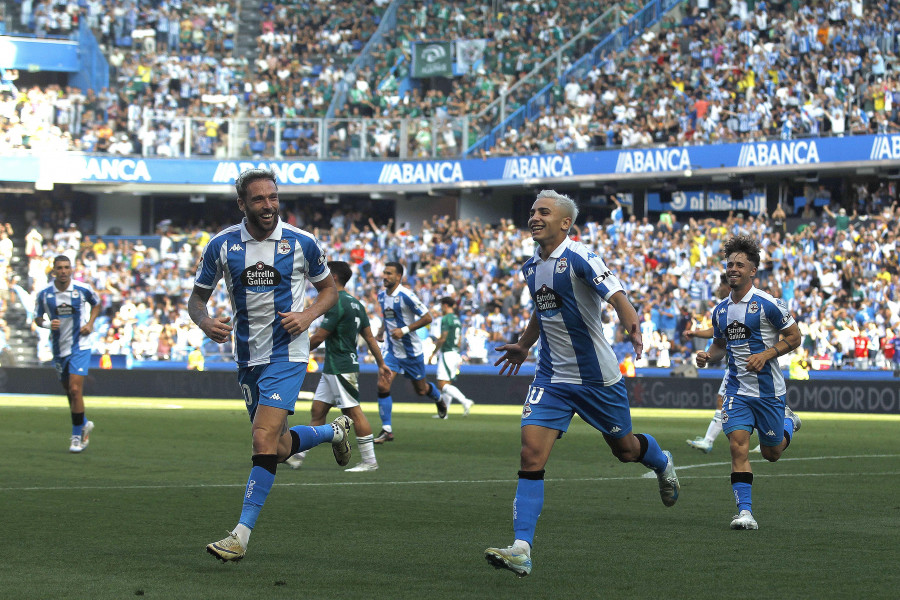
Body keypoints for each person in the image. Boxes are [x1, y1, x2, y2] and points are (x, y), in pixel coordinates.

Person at [485, 190, 680, 578]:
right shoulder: (531, 267)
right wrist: (525, 345)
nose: (534, 217)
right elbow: (543, 311)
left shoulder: (580, 256)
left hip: (596, 378)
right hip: (552, 377)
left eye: (544, 212)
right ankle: (522, 548)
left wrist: (633, 326)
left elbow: (618, 296)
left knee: (625, 451)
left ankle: (661, 461)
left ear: (564, 223)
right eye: (532, 211)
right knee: (530, 456)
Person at [189, 168, 352, 562]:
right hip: (247, 357)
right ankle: (332, 432)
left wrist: (308, 315)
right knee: (277, 447)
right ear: (242, 204)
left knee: (262, 440)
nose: (269, 206)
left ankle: (240, 536)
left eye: (274, 197)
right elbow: (197, 300)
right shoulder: (222, 245)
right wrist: (206, 321)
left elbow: (329, 290)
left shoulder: (302, 243)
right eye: (259, 199)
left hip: (288, 352)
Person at [695, 235, 802, 531]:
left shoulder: (769, 304)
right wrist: (708, 356)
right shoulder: (720, 311)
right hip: (737, 392)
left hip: (769, 392)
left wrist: (767, 353)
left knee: (772, 453)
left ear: (753, 271)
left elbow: (795, 338)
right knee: (738, 447)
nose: (733, 268)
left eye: (740, 264)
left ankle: (788, 422)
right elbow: (719, 347)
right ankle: (745, 512)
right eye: (730, 264)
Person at [285, 260, 391, 472]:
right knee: (318, 411)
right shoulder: (356, 303)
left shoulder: (336, 302)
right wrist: (381, 364)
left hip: (341, 366)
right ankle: (296, 456)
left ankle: (370, 462)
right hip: (336, 366)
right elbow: (370, 338)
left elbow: (320, 336)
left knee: (354, 413)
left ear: (333, 277)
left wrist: (291, 352)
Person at [34, 255, 101, 453]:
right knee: (68, 391)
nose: (63, 271)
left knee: (74, 389)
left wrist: (90, 323)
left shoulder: (82, 289)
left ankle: (75, 437)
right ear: (53, 270)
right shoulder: (44, 294)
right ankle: (84, 423)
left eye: (66, 267)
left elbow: (97, 303)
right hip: (58, 348)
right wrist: (47, 324)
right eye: (59, 268)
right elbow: (37, 318)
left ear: (71, 270)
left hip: (80, 345)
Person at [373, 261, 446, 443]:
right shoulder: (382, 296)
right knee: (383, 385)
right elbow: (388, 316)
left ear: (399, 277)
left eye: (389, 273)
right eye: (384, 273)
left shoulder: (406, 296)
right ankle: (387, 429)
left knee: (421, 391)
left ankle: (437, 398)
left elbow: (427, 317)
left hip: (411, 352)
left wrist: (404, 330)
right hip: (392, 352)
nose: (385, 276)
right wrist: (382, 331)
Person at [427, 296, 475, 417]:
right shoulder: (457, 319)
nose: (441, 308)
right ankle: (444, 412)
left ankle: (465, 401)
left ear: (445, 305)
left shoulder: (446, 319)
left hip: (447, 352)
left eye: (442, 306)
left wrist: (433, 353)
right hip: (455, 353)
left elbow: (443, 338)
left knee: (442, 385)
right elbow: (459, 340)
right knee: (447, 383)